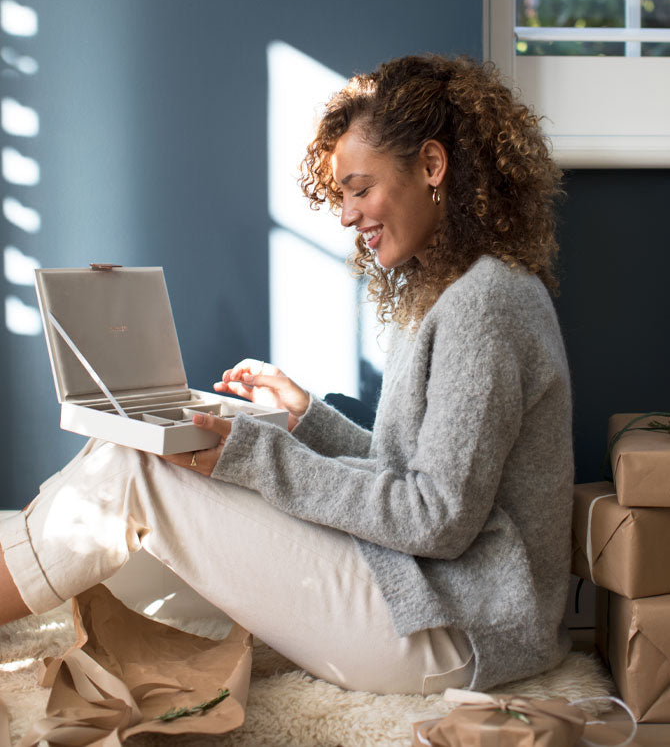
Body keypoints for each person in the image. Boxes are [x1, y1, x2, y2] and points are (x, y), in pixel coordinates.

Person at [0, 54, 573, 695]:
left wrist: (259, 457)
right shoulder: (453, 291)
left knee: (135, 468)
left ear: (432, 167)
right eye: (343, 196)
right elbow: (415, 478)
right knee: (153, 444)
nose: (348, 216)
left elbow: (435, 519)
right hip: (435, 598)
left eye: (361, 189)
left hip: (454, 629)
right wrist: (307, 420)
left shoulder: (484, 305)